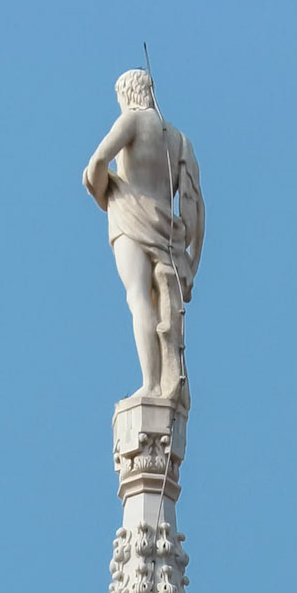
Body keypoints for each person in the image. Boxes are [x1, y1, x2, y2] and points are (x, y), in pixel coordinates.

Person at [83, 71, 203, 402]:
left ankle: (151, 383)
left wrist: (104, 193)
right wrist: (192, 259)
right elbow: (195, 206)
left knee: (138, 296)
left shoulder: (131, 122)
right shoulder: (180, 141)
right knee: (161, 303)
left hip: (131, 219)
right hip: (168, 232)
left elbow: (97, 162)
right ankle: (168, 377)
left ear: (126, 95)